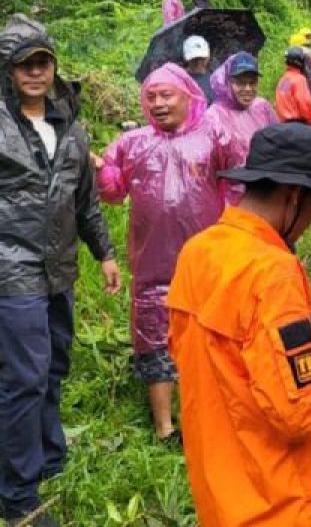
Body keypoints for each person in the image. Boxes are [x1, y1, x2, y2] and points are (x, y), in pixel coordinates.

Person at [0, 15, 119, 527]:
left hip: (57, 269)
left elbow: (86, 202)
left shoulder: (70, 124)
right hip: (5, 272)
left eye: (43, 61)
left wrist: (104, 253)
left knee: (54, 366)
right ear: (7, 70)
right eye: (25, 64)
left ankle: (47, 458)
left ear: (54, 66)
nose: (36, 72)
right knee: (26, 376)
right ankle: (17, 499)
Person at [168, 123, 311, 527]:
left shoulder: (197, 253)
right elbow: (299, 415)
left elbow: (226, 360)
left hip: (221, 500)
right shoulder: (274, 273)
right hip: (283, 506)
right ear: (294, 198)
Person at [95, 63, 224, 444]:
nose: (158, 103)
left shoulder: (212, 136)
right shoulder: (131, 142)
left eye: (166, 95)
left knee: (209, 337)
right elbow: (113, 192)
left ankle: (207, 416)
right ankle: (165, 426)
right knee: (153, 339)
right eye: (151, 97)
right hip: (152, 264)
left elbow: (236, 184)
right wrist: (101, 169)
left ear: (188, 96)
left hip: (205, 260)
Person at [203, 51, 278, 205]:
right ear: (227, 83)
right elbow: (206, 168)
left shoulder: (262, 107)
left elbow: (278, 142)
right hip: (230, 200)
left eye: (252, 82)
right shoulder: (213, 117)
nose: (248, 88)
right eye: (240, 83)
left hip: (263, 192)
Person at [275, 46, 311, 125]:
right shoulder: (299, 80)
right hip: (297, 124)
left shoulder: (284, 79)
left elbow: (282, 100)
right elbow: (305, 103)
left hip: (283, 124)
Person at [182, 34, 213, 104]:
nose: (198, 62)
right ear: (186, 58)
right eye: (194, 59)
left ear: (208, 57)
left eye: (201, 58)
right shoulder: (179, 79)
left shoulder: (215, 79)